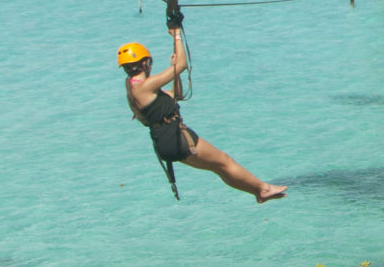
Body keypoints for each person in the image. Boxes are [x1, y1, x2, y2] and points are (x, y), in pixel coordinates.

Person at [118, 32, 286, 203]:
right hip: (177, 138)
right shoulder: (146, 86)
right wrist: (176, 36)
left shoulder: (134, 89)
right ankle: (263, 188)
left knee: (219, 168)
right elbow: (183, 64)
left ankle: (258, 192)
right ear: (146, 62)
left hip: (165, 142)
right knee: (225, 161)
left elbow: (175, 94)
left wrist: (174, 72)